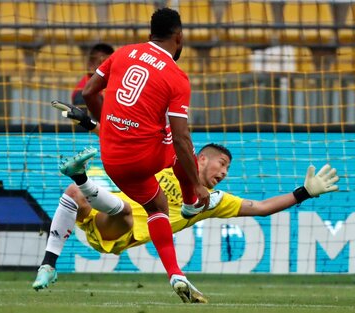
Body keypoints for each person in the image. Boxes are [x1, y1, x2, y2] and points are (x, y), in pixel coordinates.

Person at [39, 7, 214, 303]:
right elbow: (183, 138)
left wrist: (105, 127)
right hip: (145, 156)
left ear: (150, 35)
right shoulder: (177, 76)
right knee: (178, 142)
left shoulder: (123, 53)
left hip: (113, 159)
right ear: (179, 37)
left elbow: (90, 92)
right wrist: (197, 184)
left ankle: (175, 272)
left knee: (155, 204)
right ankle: (189, 204)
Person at [33, 144, 339, 297]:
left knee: (124, 212)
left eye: (228, 169)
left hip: (118, 233)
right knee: (74, 192)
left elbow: (260, 207)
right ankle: (48, 265)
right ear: (201, 159)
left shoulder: (211, 200)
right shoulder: (168, 160)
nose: (224, 173)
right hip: (104, 209)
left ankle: (82, 176)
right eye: (222, 164)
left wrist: (303, 193)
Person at [71, 43, 115, 108]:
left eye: (110, 64)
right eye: (102, 63)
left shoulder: (107, 86)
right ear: (90, 65)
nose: (107, 68)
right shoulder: (82, 94)